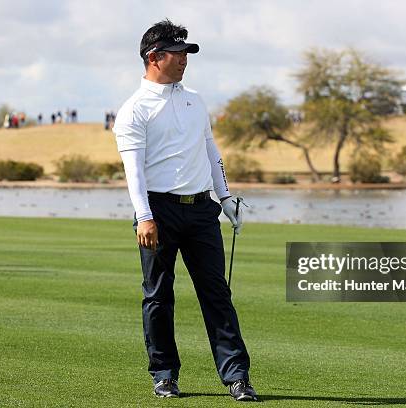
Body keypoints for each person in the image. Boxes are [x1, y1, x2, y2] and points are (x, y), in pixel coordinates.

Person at [113, 19, 256, 402]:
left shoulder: (195, 99)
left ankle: (237, 377)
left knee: (216, 294)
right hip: (158, 210)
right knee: (158, 296)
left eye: (186, 54)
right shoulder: (133, 110)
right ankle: (164, 374)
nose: (183, 60)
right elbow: (134, 171)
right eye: (177, 54)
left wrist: (225, 198)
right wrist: (144, 216)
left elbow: (211, 151)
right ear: (154, 57)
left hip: (200, 209)